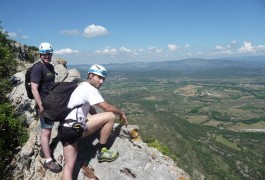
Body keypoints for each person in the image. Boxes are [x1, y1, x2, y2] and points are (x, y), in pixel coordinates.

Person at [59, 64, 128, 180]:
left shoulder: (80, 86)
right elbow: (108, 109)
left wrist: (99, 121)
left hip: (65, 129)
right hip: (75, 129)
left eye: (103, 79)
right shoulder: (89, 89)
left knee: (69, 165)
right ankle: (102, 152)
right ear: (90, 75)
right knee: (111, 116)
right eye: (99, 77)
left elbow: (89, 107)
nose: (101, 81)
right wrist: (121, 113)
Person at [31, 42, 62, 173]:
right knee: (46, 131)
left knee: (49, 130)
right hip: (44, 105)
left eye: (49, 54)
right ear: (40, 54)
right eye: (44, 54)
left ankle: (46, 150)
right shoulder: (38, 68)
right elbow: (34, 88)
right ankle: (48, 161)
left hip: (51, 103)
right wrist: (41, 106)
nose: (47, 56)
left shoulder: (49, 66)